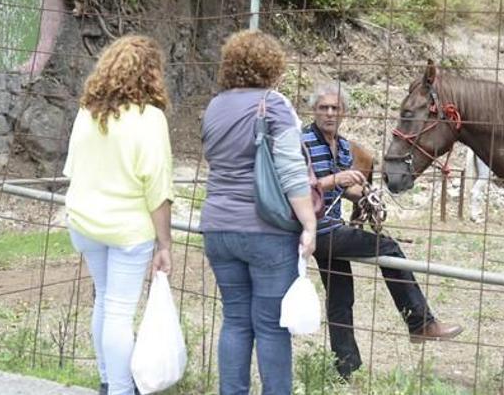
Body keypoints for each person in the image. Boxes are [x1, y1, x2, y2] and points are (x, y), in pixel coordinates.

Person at [304, 82, 464, 379]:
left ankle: (346, 369)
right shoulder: (301, 142)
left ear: (344, 113)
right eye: (323, 108)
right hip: (315, 229)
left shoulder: (341, 145)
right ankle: (421, 323)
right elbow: (296, 188)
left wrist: (361, 195)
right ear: (313, 110)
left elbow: (340, 191)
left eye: (334, 108)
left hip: (330, 227)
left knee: (341, 296)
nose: (328, 113)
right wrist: (336, 180)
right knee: (388, 247)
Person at [199, 30, 317, 395]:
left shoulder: (214, 106)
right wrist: (309, 223)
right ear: (273, 66)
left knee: (235, 320)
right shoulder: (273, 104)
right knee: (270, 325)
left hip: (218, 227)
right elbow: (291, 170)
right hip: (265, 230)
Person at [63, 35, 174, 395]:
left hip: (84, 222)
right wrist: (165, 243)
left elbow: (71, 169)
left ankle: (108, 379)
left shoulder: (86, 112)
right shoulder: (150, 118)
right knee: (119, 311)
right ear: (150, 74)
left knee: (105, 300)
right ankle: (122, 389)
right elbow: (157, 189)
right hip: (127, 229)